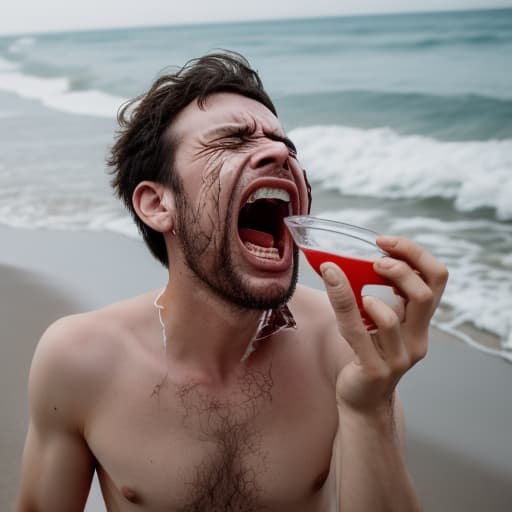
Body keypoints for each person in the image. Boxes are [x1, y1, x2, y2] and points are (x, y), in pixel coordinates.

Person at [16, 51, 448, 511]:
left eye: (289, 147)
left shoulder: (344, 348)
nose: (282, 153)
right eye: (232, 141)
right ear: (158, 205)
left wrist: (368, 406)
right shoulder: (79, 359)